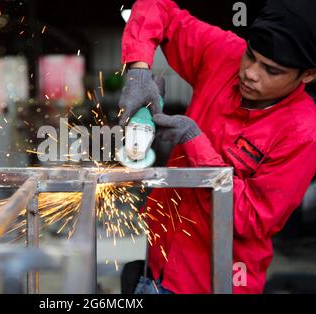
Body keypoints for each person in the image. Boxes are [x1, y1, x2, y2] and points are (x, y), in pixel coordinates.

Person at [118, 0, 316, 293]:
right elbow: (156, 7)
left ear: (308, 75)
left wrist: (194, 141)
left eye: (271, 71)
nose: (250, 73)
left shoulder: (302, 132)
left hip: (214, 281)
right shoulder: (224, 53)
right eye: (251, 56)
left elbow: (251, 220)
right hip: (156, 260)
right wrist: (138, 70)